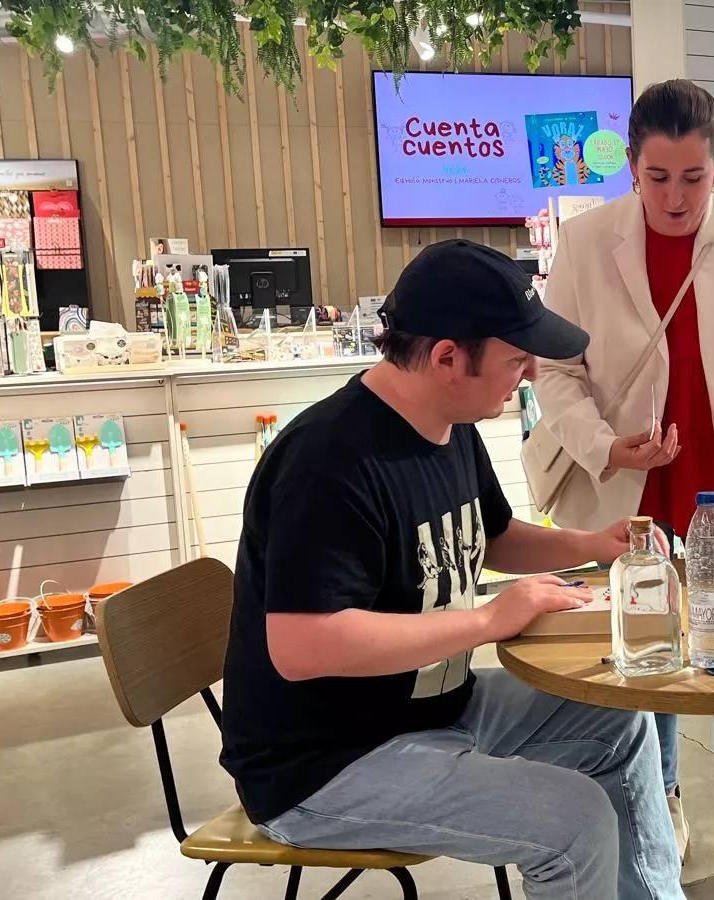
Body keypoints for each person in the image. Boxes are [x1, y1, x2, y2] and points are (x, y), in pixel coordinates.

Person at [218, 239, 685, 900]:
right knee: (574, 820)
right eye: (514, 359)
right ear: (446, 358)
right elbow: (302, 647)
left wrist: (594, 543)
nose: (525, 377)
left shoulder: (452, 422)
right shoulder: (327, 462)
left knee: (621, 720)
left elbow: (491, 536)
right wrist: (491, 619)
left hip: (434, 707)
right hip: (325, 763)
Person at [533, 80, 714, 900]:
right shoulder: (587, 243)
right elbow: (553, 371)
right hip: (627, 492)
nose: (675, 197)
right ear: (632, 167)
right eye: (657, 177)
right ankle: (663, 807)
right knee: (649, 655)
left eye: (692, 178)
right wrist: (604, 446)